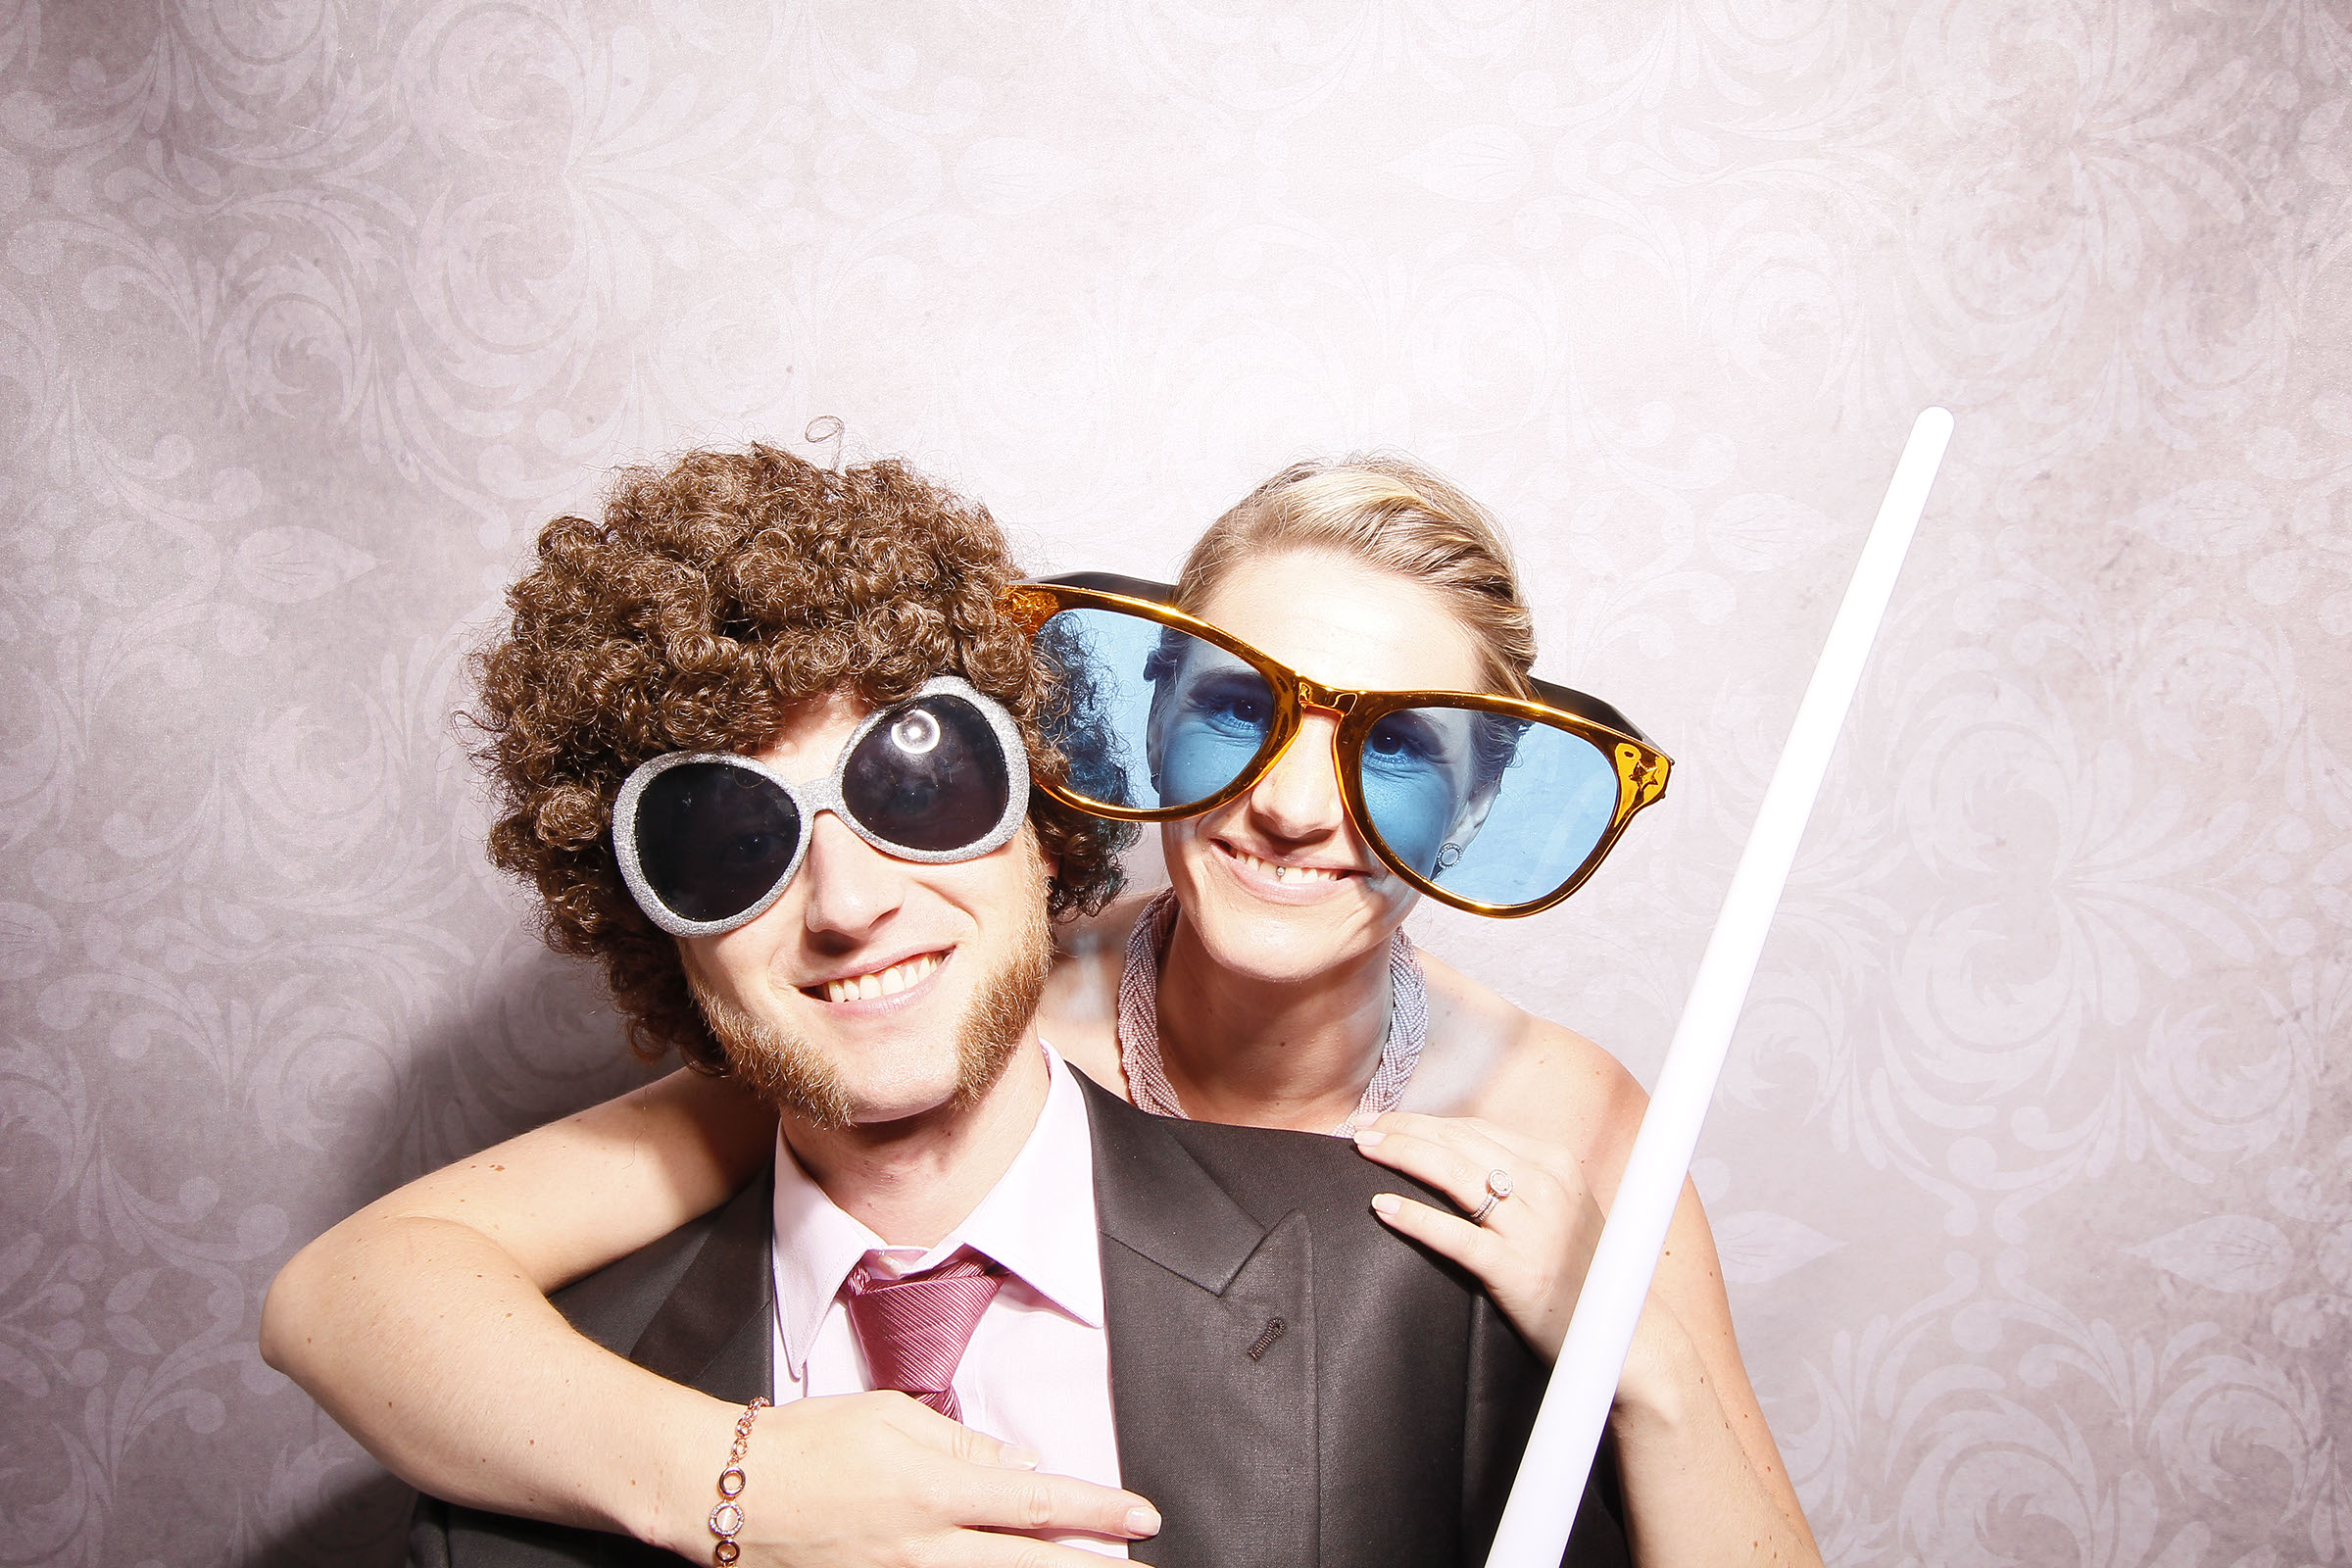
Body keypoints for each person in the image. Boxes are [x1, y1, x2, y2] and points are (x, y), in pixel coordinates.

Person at [263, 450, 1823, 1566]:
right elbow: (356, 1291)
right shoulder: (965, 1003)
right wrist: (741, 1485)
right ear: (1139, 723)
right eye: (1238, 709)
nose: (1293, 804)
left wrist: (1639, 1359)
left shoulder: (1563, 1125)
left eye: (1399, 746)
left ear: (1479, 808)